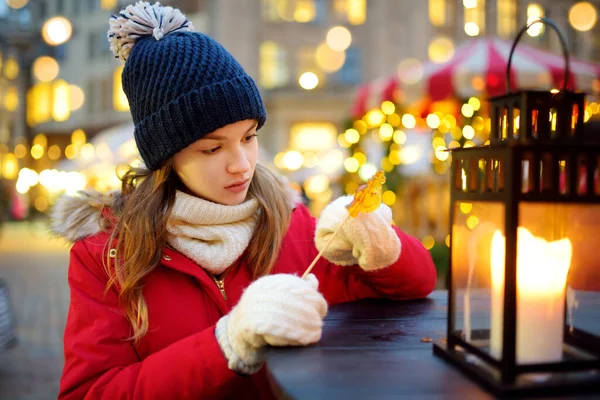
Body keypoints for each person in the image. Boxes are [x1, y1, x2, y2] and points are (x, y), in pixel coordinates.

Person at [51, 2, 436, 399]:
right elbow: (89, 392)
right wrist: (226, 344)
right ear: (167, 155)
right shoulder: (107, 254)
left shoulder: (292, 222)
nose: (241, 165)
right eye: (212, 149)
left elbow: (419, 284)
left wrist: (380, 245)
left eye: (249, 137)